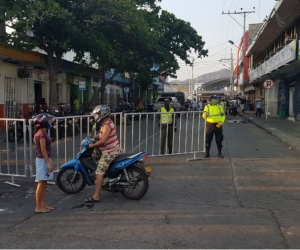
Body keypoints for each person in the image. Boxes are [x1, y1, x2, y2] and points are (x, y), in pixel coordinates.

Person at [85, 105, 123, 203]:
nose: (96, 116)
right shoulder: (106, 122)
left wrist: (93, 145)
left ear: (103, 114)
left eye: (97, 114)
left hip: (110, 152)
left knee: (99, 173)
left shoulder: (106, 125)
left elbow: (103, 141)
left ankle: (96, 196)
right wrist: (96, 136)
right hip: (113, 149)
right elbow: (103, 135)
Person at [33, 113, 55, 213]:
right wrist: (49, 163)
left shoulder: (42, 133)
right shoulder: (41, 135)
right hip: (42, 160)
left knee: (44, 182)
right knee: (41, 182)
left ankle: (43, 204)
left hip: (44, 159)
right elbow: (43, 150)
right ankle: (38, 206)